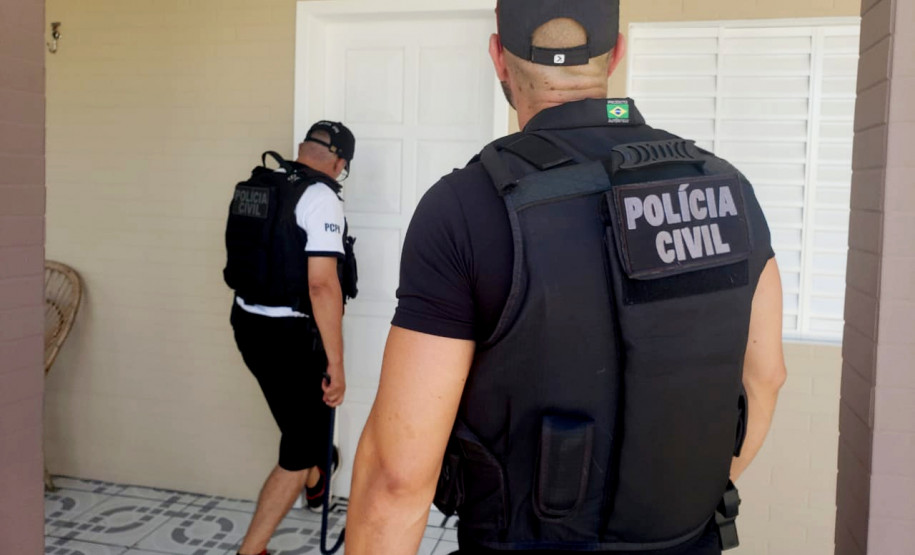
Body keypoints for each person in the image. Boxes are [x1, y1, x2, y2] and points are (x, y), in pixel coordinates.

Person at [347, 1, 787, 554]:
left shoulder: (465, 207)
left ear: (498, 60)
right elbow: (764, 377)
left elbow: (397, 478)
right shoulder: (727, 187)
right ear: (617, 52)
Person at [224, 121, 356, 555]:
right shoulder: (319, 197)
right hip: (291, 337)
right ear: (339, 163)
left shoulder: (256, 185)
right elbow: (322, 285)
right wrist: (336, 364)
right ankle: (252, 550)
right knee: (298, 447)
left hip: (247, 323)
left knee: (299, 421)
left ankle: (318, 479)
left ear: (302, 149)